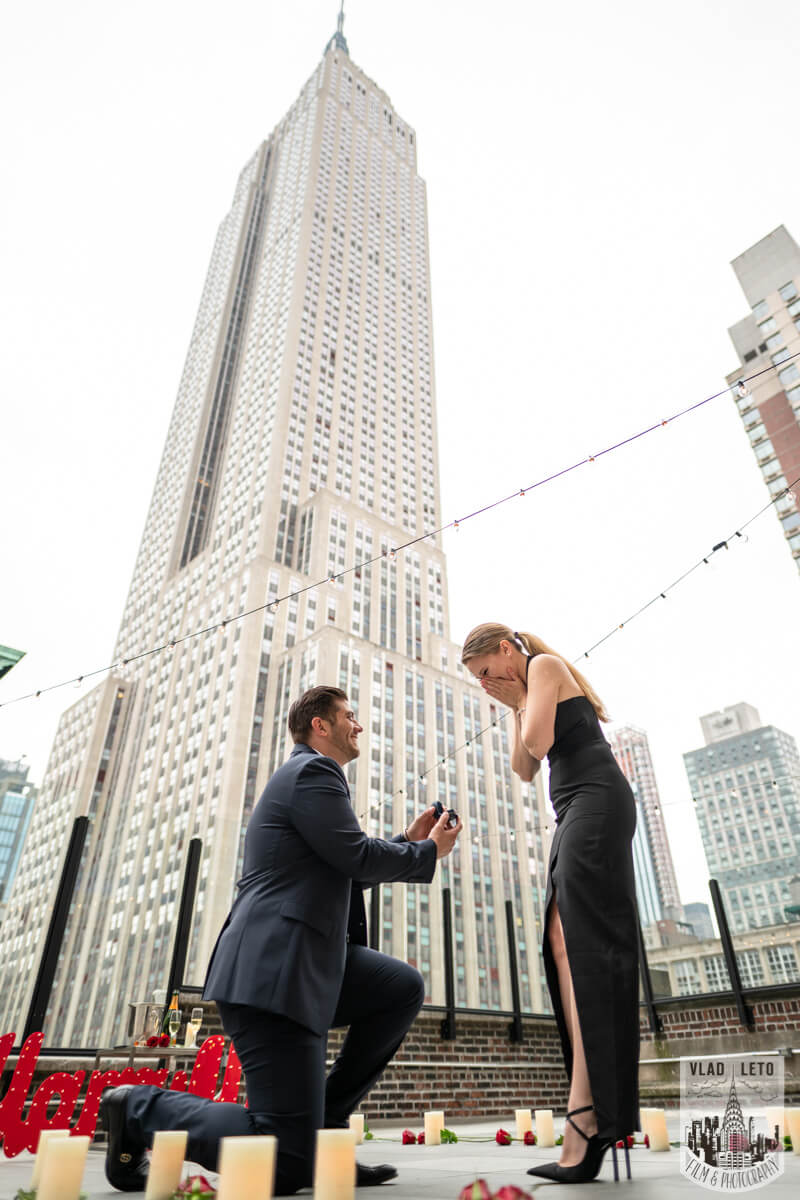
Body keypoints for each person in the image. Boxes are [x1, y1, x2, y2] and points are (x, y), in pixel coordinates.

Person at [100, 685, 462, 1194]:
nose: (358, 726)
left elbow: (345, 869)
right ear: (321, 725)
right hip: (273, 975)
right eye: (349, 716)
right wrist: (427, 853)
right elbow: (356, 856)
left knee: (398, 986)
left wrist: (406, 843)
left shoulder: (312, 780)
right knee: (286, 1165)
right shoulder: (312, 772)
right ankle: (137, 1107)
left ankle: (326, 1132)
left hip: (308, 967)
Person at [461, 624, 639, 1184]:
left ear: (507, 652)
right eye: (478, 680)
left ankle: (589, 1118)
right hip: (572, 811)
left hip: (596, 802)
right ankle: (587, 1111)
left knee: (585, 949)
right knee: (563, 944)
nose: (486, 683)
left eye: (487, 670)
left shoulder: (544, 668)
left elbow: (538, 744)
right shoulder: (525, 688)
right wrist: (514, 708)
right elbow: (523, 767)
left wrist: (519, 703)